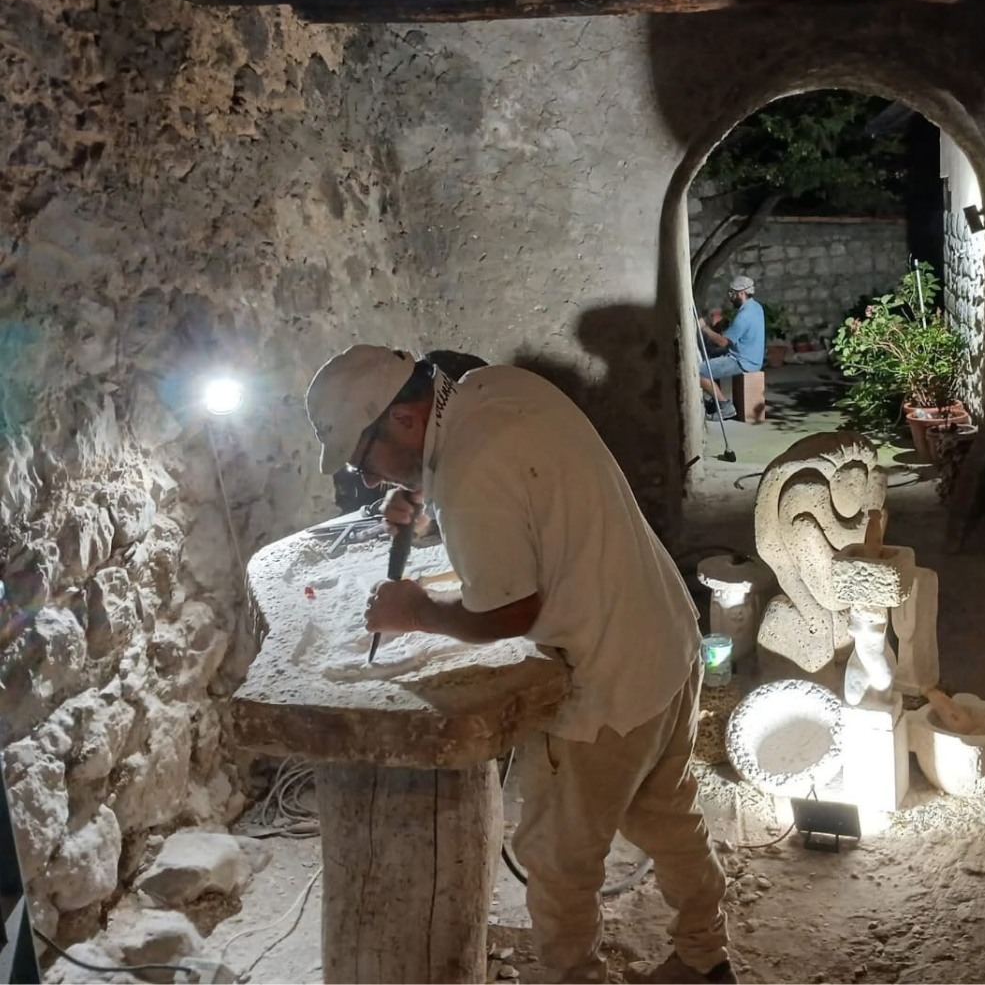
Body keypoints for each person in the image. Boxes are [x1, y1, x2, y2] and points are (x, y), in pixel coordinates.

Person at [304, 346, 734, 985]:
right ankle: (705, 957)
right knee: (665, 812)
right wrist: (424, 496)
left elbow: (509, 611)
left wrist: (417, 610)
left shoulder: (469, 473)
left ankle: (575, 977)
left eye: (362, 460)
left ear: (402, 419)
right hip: (665, 636)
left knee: (558, 861)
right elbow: (519, 496)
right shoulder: (495, 389)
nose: (366, 480)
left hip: (606, 681)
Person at [697, 275, 764, 420]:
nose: (730, 297)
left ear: (742, 293)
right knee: (711, 355)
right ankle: (716, 399)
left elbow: (723, 342)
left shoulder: (744, 316)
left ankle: (725, 405)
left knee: (698, 371)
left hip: (742, 361)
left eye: (732, 293)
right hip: (751, 356)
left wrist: (704, 328)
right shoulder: (756, 307)